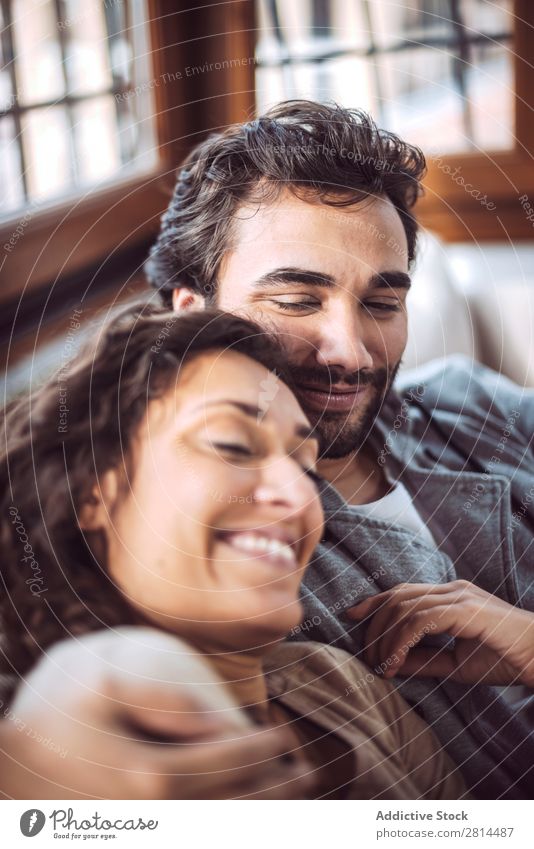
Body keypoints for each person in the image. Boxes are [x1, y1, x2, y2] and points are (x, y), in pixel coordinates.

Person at [145, 99, 534, 798]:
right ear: (190, 313)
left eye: (382, 304)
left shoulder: (472, 402)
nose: (352, 352)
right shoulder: (220, 547)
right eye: (297, 300)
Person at [0, 306, 466, 800]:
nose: (300, 495)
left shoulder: (339, 685)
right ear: (92, 491)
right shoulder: (45, 727)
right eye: (234, 445)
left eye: (308, 470)